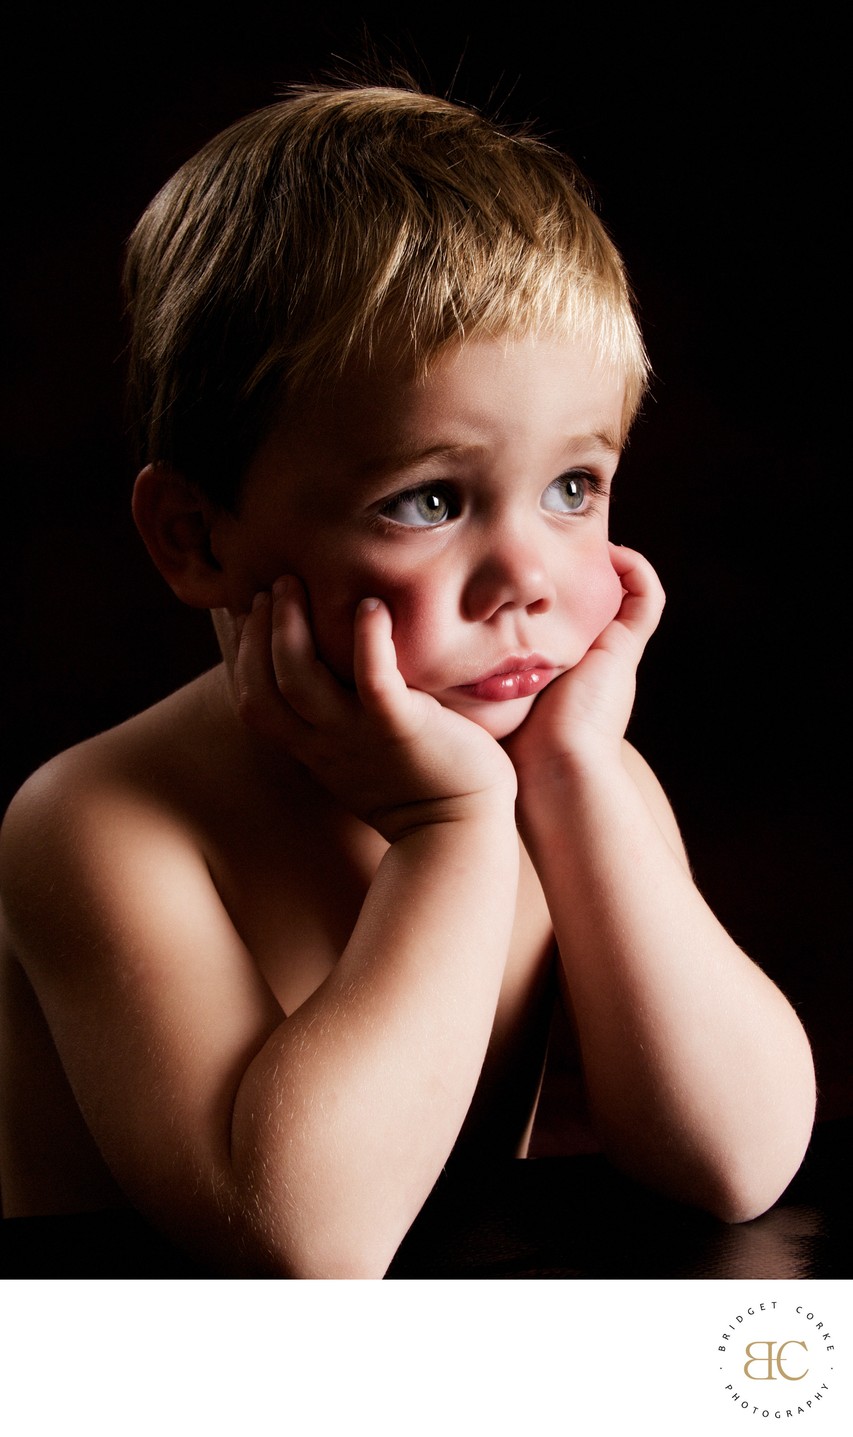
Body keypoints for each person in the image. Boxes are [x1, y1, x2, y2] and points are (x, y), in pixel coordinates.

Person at [0, 81, 816, 1278]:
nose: (528, 577)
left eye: (573, 488)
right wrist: (451, 832)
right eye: (430, 501)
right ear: (197, 537)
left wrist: (581, 783)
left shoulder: (568, 775)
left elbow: (736, 1160)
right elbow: (304, 1247)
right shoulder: (101, 827)